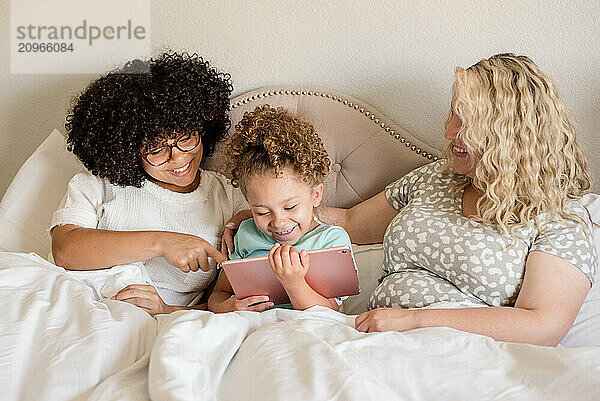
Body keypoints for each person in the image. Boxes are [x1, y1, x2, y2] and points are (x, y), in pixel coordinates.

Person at [316, 53, 597, 346]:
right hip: (379, 341)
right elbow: (349, 223)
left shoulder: (561, 218)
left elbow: (541, 325)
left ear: (510, 133)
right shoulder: (437, 177)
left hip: (465, 353)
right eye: (453, 114)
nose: (450, 133)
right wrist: (277, 213)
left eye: (466, 122)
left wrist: (413, 321)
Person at [50, 52, 246, 315]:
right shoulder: (98, 184)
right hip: (74, 306)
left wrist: (167, 310)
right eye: (156, 148)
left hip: (155, 322)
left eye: (186, 137)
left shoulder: (229, 196)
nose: (177, 156)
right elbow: (65, 250)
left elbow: (225, 300)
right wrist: (163, 244)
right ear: (128, 148)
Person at [208, 105, 352, 312]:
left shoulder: (332, 242)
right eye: (262, 212)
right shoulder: (246, 234)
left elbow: (331, 311)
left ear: (315, 195)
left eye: (290, 207)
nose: (278, 222)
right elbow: (218, 295)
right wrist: (228, 307)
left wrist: (293, 283)